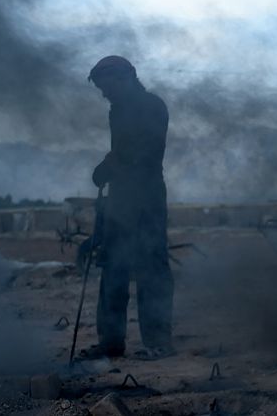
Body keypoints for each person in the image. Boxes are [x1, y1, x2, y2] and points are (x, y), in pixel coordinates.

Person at [84, 55, 174, 360]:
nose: (104, 94)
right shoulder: (118, 110)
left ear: (124, 78)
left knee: (151, 269)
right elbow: (120, 152)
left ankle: (159, 341)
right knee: (113, 268)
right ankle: (110, 343)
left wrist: (109, 166)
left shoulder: (151, 106)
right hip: (121, 199)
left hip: (146, 198)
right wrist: (111, 168)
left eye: (106, 87)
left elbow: (142, 153)